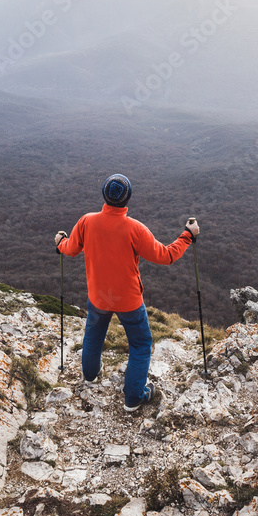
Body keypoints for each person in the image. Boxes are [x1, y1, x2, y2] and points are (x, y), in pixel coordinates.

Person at [55, 174, 200, 411]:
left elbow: (70, 250)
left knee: (93, 335)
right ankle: (133, 397)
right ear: (127, 199)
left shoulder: (86, 222)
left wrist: (60, 242)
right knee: (141, 344)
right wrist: (188, 235)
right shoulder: (135, 228)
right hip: (129, 301)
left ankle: (90, 376)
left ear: (104, 195)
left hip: (98, 297)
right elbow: (166, 256)